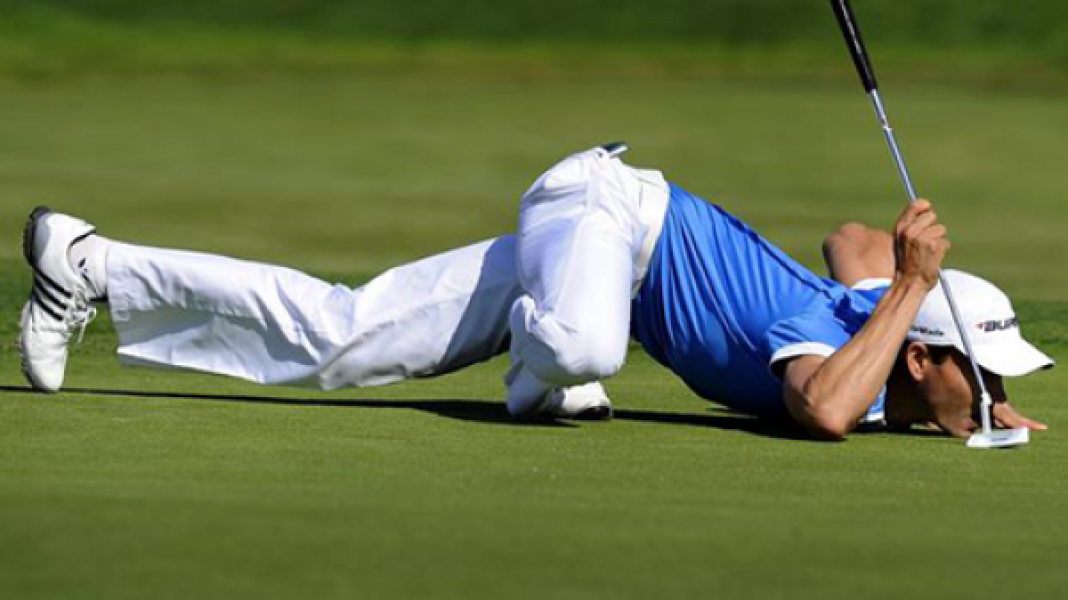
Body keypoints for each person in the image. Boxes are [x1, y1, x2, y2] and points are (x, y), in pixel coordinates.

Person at [18, 144, 1054, 440]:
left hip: (588, 264)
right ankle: (546, 365)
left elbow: (853, 238)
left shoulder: (889, 323)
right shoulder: (848, 357)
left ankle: (90, 266)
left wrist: (933, 319)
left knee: (345, 337)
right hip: (603, 212)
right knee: (589, 356)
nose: (995, 403)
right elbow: (827, 408)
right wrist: (910, 293)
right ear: (921, 353)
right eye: (989, 376)